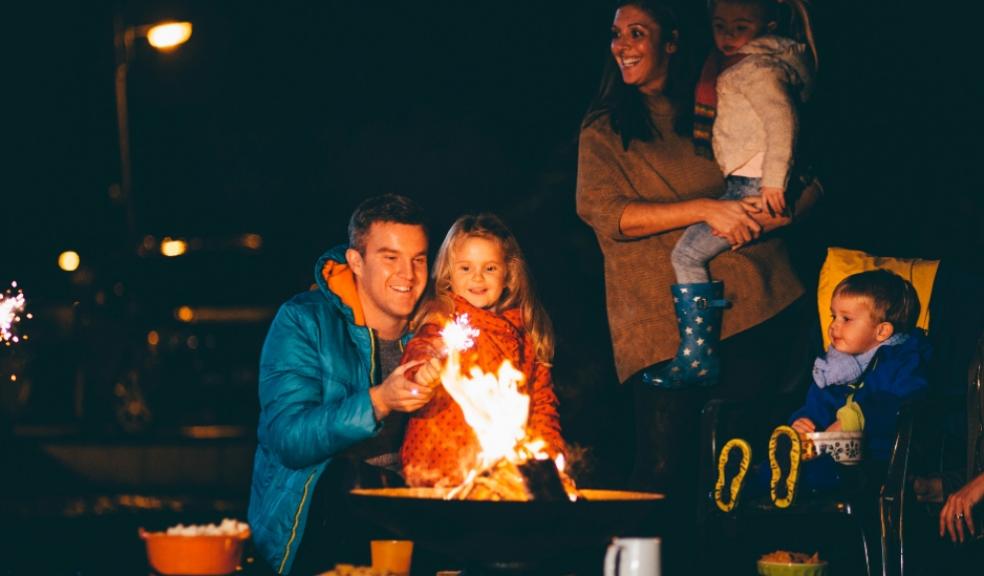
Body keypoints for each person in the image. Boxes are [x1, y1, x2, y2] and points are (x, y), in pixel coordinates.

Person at [576, 0, 815, 493]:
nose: (622, 45)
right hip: (659, 328)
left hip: (759, 306)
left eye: (637, 33)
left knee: (741, 477)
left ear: (671, 42)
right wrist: (707, 209)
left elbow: (805, 179)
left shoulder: (718, 102)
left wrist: (760, 221)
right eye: (617, 34)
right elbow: (607, 213)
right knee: (661, 473)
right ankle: (633, 568)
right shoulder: (605, 128)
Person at [247, 194, 440, 575]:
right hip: (320, 522)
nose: (408, 275)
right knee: (348, 478)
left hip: (414, 518)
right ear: (356, 261)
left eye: (418, 259)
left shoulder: (435, 329)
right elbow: (288, 438)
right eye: (390, 258)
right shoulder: (304, 322)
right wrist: (378, 402)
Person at [657, 0, 816, 386]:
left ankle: (697, 355)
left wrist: (775, 181)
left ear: (768, 24)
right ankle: (699, 353)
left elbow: (782, 122)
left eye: (741, 26)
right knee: (691, 251)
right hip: (743, 181)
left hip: (755, 184)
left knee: (688, 252)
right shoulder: (735, 64)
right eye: (720, 26)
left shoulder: (756, 69)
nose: (728, 36)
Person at [713, 270, 931, 511]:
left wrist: (855, 417)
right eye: (833, 316)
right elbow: (816, 404)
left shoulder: (903, 359)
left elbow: (903, 403)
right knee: (787, 463)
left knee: (822, 470)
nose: (833, 326)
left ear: (882, 331)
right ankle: (744, 483)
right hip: (827, 449)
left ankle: (776, 480)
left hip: (876, 458)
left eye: (846, 319)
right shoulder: (833, 365)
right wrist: (803, 422)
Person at [399, 213, 565, 487]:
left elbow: (542, 406)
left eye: (489, 268)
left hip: (500, 474)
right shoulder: (444, 321)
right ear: (449, 274)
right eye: (465, 268)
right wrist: (422, 373)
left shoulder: (525, 335)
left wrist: (548, 456)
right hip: (439, 471)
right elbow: (421, 352)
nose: (477, 277)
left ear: (508, 274)